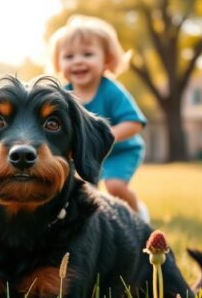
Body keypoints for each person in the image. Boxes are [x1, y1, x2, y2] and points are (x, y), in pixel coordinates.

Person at [48, 15, 150, 222]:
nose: (78, 61)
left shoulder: (111, 91)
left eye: (87, 54)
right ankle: (90, 224)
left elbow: (134, 123)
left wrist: (102, 137)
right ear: (58, 63)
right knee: (81, 191)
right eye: (69, 56)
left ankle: (137, 217)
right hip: (83, 154)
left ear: (107, 60)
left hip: (120, 151)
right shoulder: (61, 96)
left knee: (115, 186)